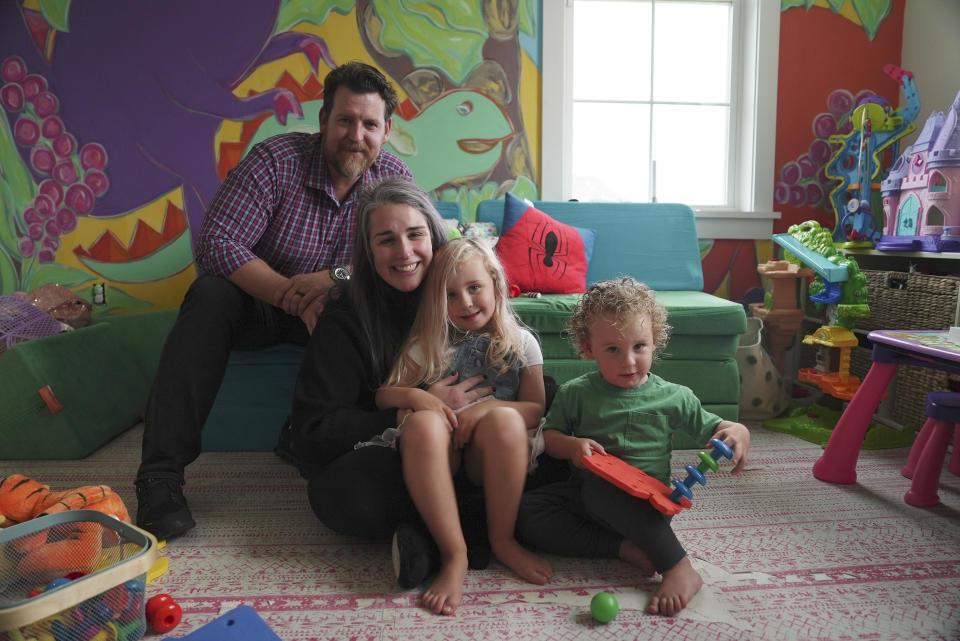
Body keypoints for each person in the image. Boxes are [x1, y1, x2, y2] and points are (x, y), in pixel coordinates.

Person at [134, 61, 412, 541]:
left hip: (336, 311)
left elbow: (411, 257)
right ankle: (160, 476)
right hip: (258, 303)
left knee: (386, 309)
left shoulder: (392, 179)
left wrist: (335, 278)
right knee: (209, 295)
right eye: (345, 120)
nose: (356, 135)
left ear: (386, 131)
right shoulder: (275, 160)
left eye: (369, 124)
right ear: (324, 119)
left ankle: (312, 439)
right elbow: (218, 242)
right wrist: (288, 295)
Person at [288, 178, 495, 578]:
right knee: (346, 497)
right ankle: (467, 526)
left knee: (532, 444)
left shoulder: (460, 298)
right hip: (382, 452)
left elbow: (515, 369)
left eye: (415, 234)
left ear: (434, 237)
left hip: (469, 440)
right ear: (368, 252)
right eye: (386, 240)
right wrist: (413, 409)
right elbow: (313, 433)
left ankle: (432, 537)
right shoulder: (345, 321)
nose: (404, 252)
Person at [516, 277, 751, 617]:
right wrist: (573, 447)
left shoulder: (675, 396)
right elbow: (550, 439)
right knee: (526, 513)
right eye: (613, 349)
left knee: (601, 490)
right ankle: (622, 548)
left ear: (655, 342)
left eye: (639, 346)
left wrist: (738, 430)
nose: (628, 361)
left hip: (645, 509)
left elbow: (717, 427)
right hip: (585, 500)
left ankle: (678, 565)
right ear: (588, 347)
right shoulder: (576, 393)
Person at [376, 237, 553, 615]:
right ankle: (454, 554)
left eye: (474, 288)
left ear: (495, 284)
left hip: (490, 456)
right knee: (422, 424)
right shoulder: (429, 344)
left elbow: (536, 409)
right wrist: (419, 398)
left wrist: (486, 409)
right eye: (451, 295)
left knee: (506, 419)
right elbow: (385, 395)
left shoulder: (521, 343)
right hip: (441, 458)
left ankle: (501, 540)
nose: (466, 303)